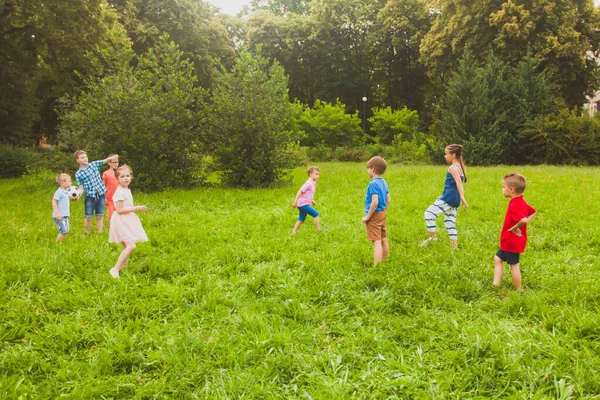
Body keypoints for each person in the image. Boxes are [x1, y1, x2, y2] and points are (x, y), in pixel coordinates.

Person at [493, 173, 536, 290]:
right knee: (497, 258)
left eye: (504, 187)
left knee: (514, 265)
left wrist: (516, 227)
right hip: (511, 240)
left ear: (511, 190)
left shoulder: (514, 205)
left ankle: (518, 289)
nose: (502, 189)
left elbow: (523, 219)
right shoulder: (520, 201)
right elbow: (532, 212)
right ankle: (495, 284)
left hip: (511, 240)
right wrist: (521, 225)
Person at [421, 144, 468, 249]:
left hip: (450, 197)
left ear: (453, 155)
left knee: (429, 214)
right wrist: (458, 197)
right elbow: (454, 185)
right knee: (449, 221)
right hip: (453, 198)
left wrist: (462, 197)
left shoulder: (452, 168)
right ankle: (454, 247)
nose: (445, 156)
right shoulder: (460, 167)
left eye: (446, 154)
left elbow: (458, 183)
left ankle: (432, 238)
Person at [108, 165, 148, 278]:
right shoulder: (119, 192)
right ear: (117, 179)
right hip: (121, 220)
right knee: (131, 245)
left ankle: (123, 267)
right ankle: (115, 269)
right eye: (122, 176)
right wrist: (136, 208)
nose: (126, 178)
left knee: (126, 245)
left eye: (127, 176)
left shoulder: (126, 190)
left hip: (127, 219)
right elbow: (120, 210)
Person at [74, 150, 119, 234]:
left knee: (100, 215)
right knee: (88, 217)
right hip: (90, 196)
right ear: (78, 160)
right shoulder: (78, 174)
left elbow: (104, 161)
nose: (85, 159)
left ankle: (100, 232)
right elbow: (81, 188)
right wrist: (78, 196)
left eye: (86, 157)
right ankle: (87, 233)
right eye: (82, 158)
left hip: (101, 194)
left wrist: (112, 158)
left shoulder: (94, 164)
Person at [361, 156, 391, 266]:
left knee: (376, 241)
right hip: (382, 213)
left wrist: (367, 217)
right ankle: (385, 260)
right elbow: (389, 200)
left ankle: (377, 265)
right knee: (383, 238)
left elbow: (374, 202)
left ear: (372, 169)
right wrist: (383, 210)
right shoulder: (383, 182)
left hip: (374, 215)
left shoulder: (373, 184)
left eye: (368, 168)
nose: (367, 170)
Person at [291, 166, 321, 234]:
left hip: (303, 204)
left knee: (301, 219)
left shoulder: (313, 183)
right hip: (302, 204)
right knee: (316, 214)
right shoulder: (308, 183)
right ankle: (318, 230)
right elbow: (300, 191)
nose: (318, 176)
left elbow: (308, 194)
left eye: (319, 174)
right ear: (310, 174)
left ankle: (294, 232)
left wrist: (311, 200)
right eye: (316, 174)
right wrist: (295, 202)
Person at [52, 173, 72, 242]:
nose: (71, 183)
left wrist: (67, 214)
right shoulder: (59, 192)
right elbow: (54, 202)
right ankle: (57, 244)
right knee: (63, 231)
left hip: (64, 216)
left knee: (66, 231)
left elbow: (65, 205)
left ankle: (62, 243)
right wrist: (57, 214)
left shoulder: (66, 192)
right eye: (69, 181)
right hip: (59, 216)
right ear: (62, 183)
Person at [102, 154, 119, 222]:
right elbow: (103, 186)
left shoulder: (120, 173)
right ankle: (111, 228)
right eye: (114, 162)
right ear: (109, 163)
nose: (116, 164)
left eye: (117, 162)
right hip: (110, 197)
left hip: (118, 197)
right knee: (111, 214)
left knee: (119, 212)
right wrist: (104, 197)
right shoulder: (106, 173)